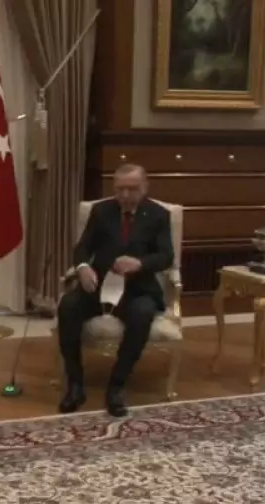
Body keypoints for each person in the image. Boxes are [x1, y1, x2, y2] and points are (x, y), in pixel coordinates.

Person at [56, 163, 174, 418]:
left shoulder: (158, 215)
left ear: (144, 187)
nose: (125, 195)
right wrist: (83, 267)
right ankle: (75, 384)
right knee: (68, 306)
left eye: (132, 189)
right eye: (120, 189)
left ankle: (117, 385)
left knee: (142, 315)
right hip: (98, 284)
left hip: (137, 288)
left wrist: (139, 263)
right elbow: (82, 248)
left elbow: (166, 256)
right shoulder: (101, 211)